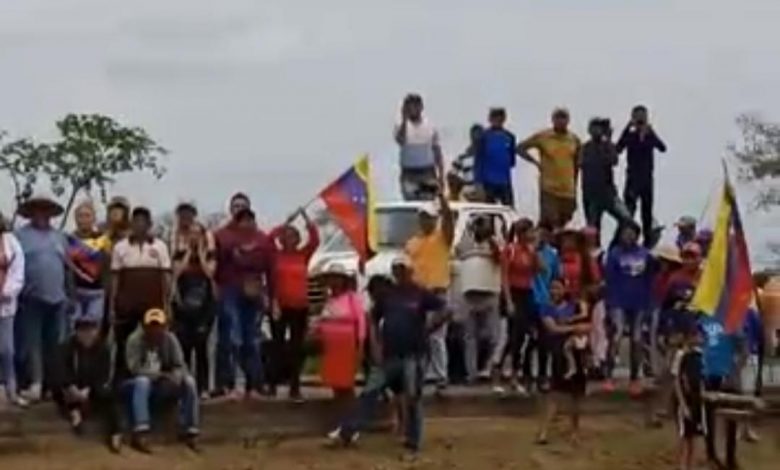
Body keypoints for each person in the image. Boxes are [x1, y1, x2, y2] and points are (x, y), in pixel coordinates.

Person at [332, 256, 451, 454]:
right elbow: (373, 318)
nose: (399, 273)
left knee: (412, 397)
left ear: (409, 271)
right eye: (396, 269)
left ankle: (413, 440)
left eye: (402, 269)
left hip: (414, 352)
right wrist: (376, 345)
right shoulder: (388, 295)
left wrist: (431, 327)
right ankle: (347, 432)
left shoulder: (420, 293)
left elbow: (445, 309)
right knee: (369, 393)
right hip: (390, 354)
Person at [214, 197, 275, 399]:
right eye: (237, 209)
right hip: (229, 290)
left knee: (253, 339)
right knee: (232, 337)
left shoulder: (262, 239)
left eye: (247, 215)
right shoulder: (221, 235)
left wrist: (271, 296)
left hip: (254, 291)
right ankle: (229, 384)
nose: (245, 222)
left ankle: (254, 384)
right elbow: (215, 264)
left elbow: (270, 268)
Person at [14, 195, 70, 402]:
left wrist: (70, 295)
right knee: (32, 343)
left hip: (58, 299)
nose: (41, 214)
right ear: (31, 213)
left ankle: (51, 385)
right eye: (37, 210)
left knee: (55, 344)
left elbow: (68, 268)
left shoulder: (60, 237)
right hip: (30, 298)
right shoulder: (19, 237)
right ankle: (35, 383)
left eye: (45, 210)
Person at [123, 308, 200, 453]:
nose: (155, 330)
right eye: (151, 326)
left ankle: (190, 430)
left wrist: (175, 377)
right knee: (142, 382)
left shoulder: (170, 339)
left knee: (189, 382)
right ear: (144, 326)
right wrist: (159, 375)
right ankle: (141, 431)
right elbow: (133, 369)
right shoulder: (134, 340)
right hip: (135, 386)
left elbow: (180, 365)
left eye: (158, 326)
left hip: (163, 384)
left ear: (165, 326)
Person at [110, 207, 172, 382]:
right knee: (123, 342)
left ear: (149, 224)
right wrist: (113, 305)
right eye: (136, 221)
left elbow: (166, 276)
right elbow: (115, 278)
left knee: (154, 341)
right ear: (131, 224)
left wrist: (167, 303)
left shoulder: (160, 246)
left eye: (143, 222)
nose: (139, 225)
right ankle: (121, 382)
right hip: (127, 302)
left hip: (153, 301)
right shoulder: (120, 247)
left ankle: (156, 380)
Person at [268, 208, 320, 402]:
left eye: (293, 236)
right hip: (280, 306)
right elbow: (268, 239)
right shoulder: (275, 255)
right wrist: (285, 222)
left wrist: (306, 219)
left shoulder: (303, 255)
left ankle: (295, 387)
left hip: (300, 306)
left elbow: (315, 240)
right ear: (282, 239)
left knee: (297, 347)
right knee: (277, 345)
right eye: (287, 236)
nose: (290, 239)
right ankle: (272, 385)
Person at [404, 192, 455, 392]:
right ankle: (424, 374)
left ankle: (441, 376)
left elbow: (449, 221)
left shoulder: (442, 238)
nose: (426, 221)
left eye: (430, 217)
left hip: (438, 293)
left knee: (436, 336)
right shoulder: (412, 242)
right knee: (419, 335)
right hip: (418, 294)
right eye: (423, 217)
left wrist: (444, 201)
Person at [535, 278, 592, 445]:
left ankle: (574, 431)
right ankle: (544, 432)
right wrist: (574, 327)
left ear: (564, 289)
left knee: (575, 396)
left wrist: (575, 327)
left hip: (576, 352)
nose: (554, 291)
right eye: (552, 288)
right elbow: (552, 329)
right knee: (555, 394)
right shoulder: (546, 308)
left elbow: (588, 325)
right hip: (558, 354)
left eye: (557, 288)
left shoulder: (574, 306)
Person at [53, 317, 121, 452]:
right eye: (83, 331)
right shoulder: (66, 347)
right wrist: (71, 386)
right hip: (72, 387)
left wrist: (89, 389)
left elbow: (104, 373)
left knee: (109, 394)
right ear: (77, 332)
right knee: (57, 388)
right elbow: (61, 370)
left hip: (93, 387)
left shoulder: (103, 348)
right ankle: (74, 413)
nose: (87, 335)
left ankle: (115, 434)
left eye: (91, 331)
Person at [170, 202, 216, 397]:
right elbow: (176, 273)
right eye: (191, 234)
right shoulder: (178, 248)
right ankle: (186, 385)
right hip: (183, 299)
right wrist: (189, 252)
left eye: (198, 234)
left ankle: (203, 386)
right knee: (184, 344)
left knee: (202, 343)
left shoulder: (210, 251)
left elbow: (210, 273)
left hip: (204, 300)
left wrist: (201, 254)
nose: (194, 236)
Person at [605, 224, 657, 395]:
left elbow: (652, 277)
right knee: (617, 334)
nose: (628, 236)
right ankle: (608, 375)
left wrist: (650, 302)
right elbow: (609, 279)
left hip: (640, 301)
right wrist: (609, 303)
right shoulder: (614, 254)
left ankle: (635, 378)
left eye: (631, 233)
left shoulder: (646, 255)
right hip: (618, 300)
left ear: (637, 235)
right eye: (625, 233)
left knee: (637, 338)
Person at [455, 215, 503, 386]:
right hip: (470, 294)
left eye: (484, 225)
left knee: (493, 336)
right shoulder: (466, 243)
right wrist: (469, 232)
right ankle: (472, 374)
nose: (481, 228)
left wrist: (490, 239)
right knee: (470, 337)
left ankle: (489, 368)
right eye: (478, 224)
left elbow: (499, 257)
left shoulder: (496, 242)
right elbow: (458, 252)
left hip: (490, 293)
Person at [517, 108, 581, 229]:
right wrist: (535, 162)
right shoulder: (544, 136)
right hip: (549, 188)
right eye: (558, 118)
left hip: (568, 189)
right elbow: (520, 148)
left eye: (564, 118)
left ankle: (540, 234)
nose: (561, 121)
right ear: (553, 120)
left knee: (563, 221)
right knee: (552, 220)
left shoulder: (574, 139)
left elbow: (577, 164)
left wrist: (575, 186)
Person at [313, 264, 366, 406]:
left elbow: (361, 321)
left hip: (346, 346)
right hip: (331, 347)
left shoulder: (352, 298)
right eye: (331, 278)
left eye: (337, 278)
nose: (334, 282)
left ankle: (350, 413)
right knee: (335, 383)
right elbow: (322, 321)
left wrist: (360, 343)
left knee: (346, 383)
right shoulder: (329, 301)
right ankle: (340, 412)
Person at [616, 105, 667, 247]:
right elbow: (618, 149)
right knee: (628, 212)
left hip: (647, 179)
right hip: (632, 178)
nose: (640, 120)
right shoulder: (630, 135)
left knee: (647, 213)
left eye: (643, 117)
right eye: (637, 117)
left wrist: (651, 133)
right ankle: (622, 241)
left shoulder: (650, 135)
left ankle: (648, 242)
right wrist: (627, 128)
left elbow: (662, 148)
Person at [501, 218, 540, 394]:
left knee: (530, 333)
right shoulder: (510, 250)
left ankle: (524, 371)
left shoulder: (530, 251)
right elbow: (504, 277)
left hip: (528, 293)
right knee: (515, 335)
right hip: (514, 293)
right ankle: (512, 372)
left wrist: (534, 252)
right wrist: (508, 301)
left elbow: (539, 269)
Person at [579, 118, 635, 235]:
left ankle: (617, 243)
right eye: (593, 128)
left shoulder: (608, 146)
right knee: (593, 229)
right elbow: (581, 164)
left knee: (627, 220)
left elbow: (614, 160)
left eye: (599, 128)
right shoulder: (585, 148)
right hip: (591, 194)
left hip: (608, 193)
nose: (596, 131)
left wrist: (608, 141)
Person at [526, 221, 561, 392]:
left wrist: (554, 298)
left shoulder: (552, 255)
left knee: (543, 341)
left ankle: (542, 375)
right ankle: (525, 374)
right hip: (526, 298)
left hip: (544, 299)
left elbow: (554, 276)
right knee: (526, 340)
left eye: (546, 234)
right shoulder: (526, 250)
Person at [68, 201, 112, 327]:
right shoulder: (69, 239)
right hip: (75, 292)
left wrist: (107, 289)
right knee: (74, 328)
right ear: (75, 219)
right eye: (80, 216)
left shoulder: (103, 240)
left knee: (92, 328)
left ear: (93, 218)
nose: (84, 219)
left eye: (87, 216)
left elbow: (108, 266)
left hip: (96, 292)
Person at [393, 93, 444, 201]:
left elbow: (437, 151)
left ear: (421, 107)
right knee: (412, 201)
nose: (412, 109)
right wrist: (404, 120)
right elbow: (401, 141)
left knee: (429, 202)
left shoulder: (430, 125)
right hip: (409, 173)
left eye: (415, 105)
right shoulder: (400, 125)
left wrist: (441, 175)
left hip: (428, 172)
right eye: (409, 106)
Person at [0, 212, 26, 408]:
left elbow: (18, 270)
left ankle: (11, 390)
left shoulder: (10, 241)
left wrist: (7, 292)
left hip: (5, 303)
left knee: (7, 350)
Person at [671, 320, 705, 470]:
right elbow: (676, 380)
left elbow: (702, 379)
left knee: (695, 437)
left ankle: (691, 466)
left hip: (697, 401)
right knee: (684, 436)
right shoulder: (681, 355)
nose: (699, 339)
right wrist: (683, 404)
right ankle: (681, 466)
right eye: (697, 335)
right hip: (684, 400)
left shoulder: (700, 355)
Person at [474, 108, 517, 206]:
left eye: (500, 118)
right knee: (488, 210)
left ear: (504, 119)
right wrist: (478, 182)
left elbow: (512, 161)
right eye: (494, 118)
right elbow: (478, 160)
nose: (497, 121)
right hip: (488, 181)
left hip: (504, 181)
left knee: (508, 208)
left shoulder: (510, 137)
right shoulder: (483, 137)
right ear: (490, 119)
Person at [449, 124, 483, 201]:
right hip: (468, 191)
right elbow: (451, 174)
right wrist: (460, 183)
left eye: (480, 136)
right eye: (475, 136)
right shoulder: (463, 158)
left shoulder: (488, 158)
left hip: (484, 192)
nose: (477, 138)